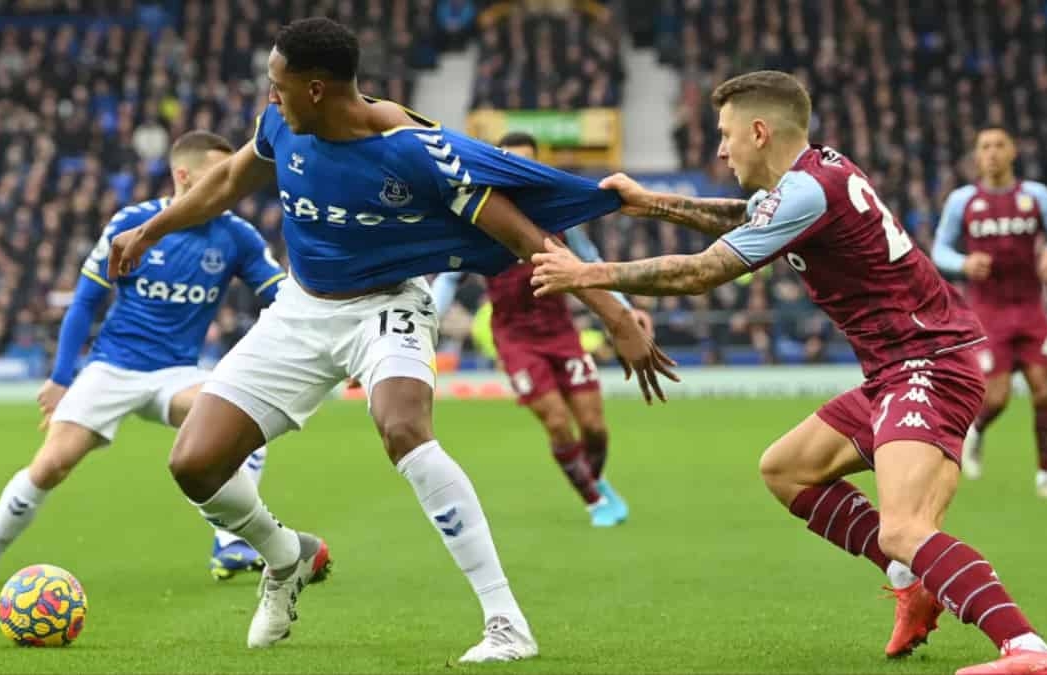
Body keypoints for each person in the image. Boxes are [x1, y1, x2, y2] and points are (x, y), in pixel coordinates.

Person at [104, 17, 675, 661]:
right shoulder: (281, 127)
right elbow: (226, 184)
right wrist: (154, 228)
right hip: (299, 310)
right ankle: (287, 556)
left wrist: (616, 315)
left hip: (387, 307)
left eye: (278, 86)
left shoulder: (411, 150)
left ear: (317, 89)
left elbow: (525, 236)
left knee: (404, 429)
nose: (270, 98)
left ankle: (505, 622)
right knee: (194, 465)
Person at [530, 70, 1047, 675]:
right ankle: (912, 579)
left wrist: (589, 275)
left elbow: (703, 272)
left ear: (759, 132)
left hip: (929, 364)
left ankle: (1028, 649)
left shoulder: (807, 193)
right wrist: (646, 201)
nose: (719, 149)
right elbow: (744, 218)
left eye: (725, 135)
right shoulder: (813, 178)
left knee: (904, 528)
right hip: (896, 369)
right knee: (787, 470)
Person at [0, 131, 284, 589]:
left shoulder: (237, 236)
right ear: (183, 176)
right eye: (215, 176)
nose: (226, 186)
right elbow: (86, 301)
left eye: (229, 177)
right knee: (51, 465)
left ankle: (229, 544)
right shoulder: (133, 223)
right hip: (112, 367)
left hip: (178, 374)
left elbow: (279, 295)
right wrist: (61, 377)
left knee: (243, 423)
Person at [433, 132, 648, 528]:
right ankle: (595, 500)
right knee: (554, 419)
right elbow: (448, 279)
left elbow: (591, 260)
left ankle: (595, 481)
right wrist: (428, 321)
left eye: (525, 164)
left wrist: (626, 310)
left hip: (560, 332)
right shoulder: (479, 218)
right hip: (515, 338)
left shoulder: (558, 215)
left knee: (595, 427)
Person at [932, 127, 1047, 498]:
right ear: (977, 158)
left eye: (999, 146)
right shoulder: (963, 200)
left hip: (1031, 311)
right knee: (995, 398)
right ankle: (976, 433)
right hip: (987, 314)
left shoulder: (1035, 195)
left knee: (1043, 393)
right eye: (985, 147)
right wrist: (964, 264)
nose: (992, 153)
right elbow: (940, 251)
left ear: (1013, 152)